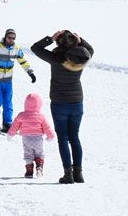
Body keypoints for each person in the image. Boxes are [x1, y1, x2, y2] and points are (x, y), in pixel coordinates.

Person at [31, 30, 94, 184]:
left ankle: (68, 175)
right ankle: (78, 174)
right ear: (74, 42)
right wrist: (80, 40)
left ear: (59, 42)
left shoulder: (56, 58)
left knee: (63, 138)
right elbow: (90, 50)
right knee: (75, 137)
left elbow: (35, 48)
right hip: (77, 102)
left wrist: (50, 39)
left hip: (59, 103)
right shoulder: (82, 57)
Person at [0, 28, 36, 133]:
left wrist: (30, 73)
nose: (11, 40)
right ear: (5, 36)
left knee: (8, 102)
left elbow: (23, 61)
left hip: (8, 81)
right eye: (9, 38)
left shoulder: (16, 49)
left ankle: (7, 124)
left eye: (13, 38)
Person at [8, 93, 55, 178]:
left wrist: (10, 134)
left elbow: (14, 126)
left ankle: (29, 171)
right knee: (39, 154)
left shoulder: (21, 115)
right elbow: (47, 127)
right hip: (38, 139)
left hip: (26, 139)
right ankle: (39, 167)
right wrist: (50, 136)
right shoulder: (41, 116)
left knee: (28, 154)